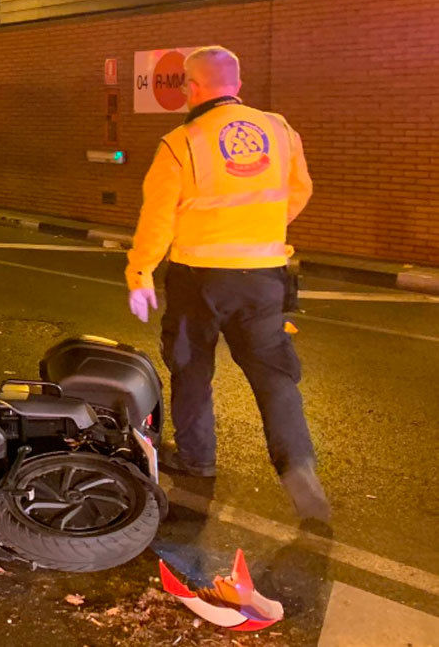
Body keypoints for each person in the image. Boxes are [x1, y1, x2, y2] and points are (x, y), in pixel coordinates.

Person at [125, 45, 328, 522]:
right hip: (265, 277)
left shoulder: (181, 142)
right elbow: (300, 189)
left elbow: (158, 217)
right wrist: (261, 230)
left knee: (191, 368)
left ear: (192, 88)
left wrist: (140, 271)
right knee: (274, 375)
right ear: (237, 84)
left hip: (198, 278)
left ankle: (197, 458)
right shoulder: (279, 130)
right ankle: (298, 465)